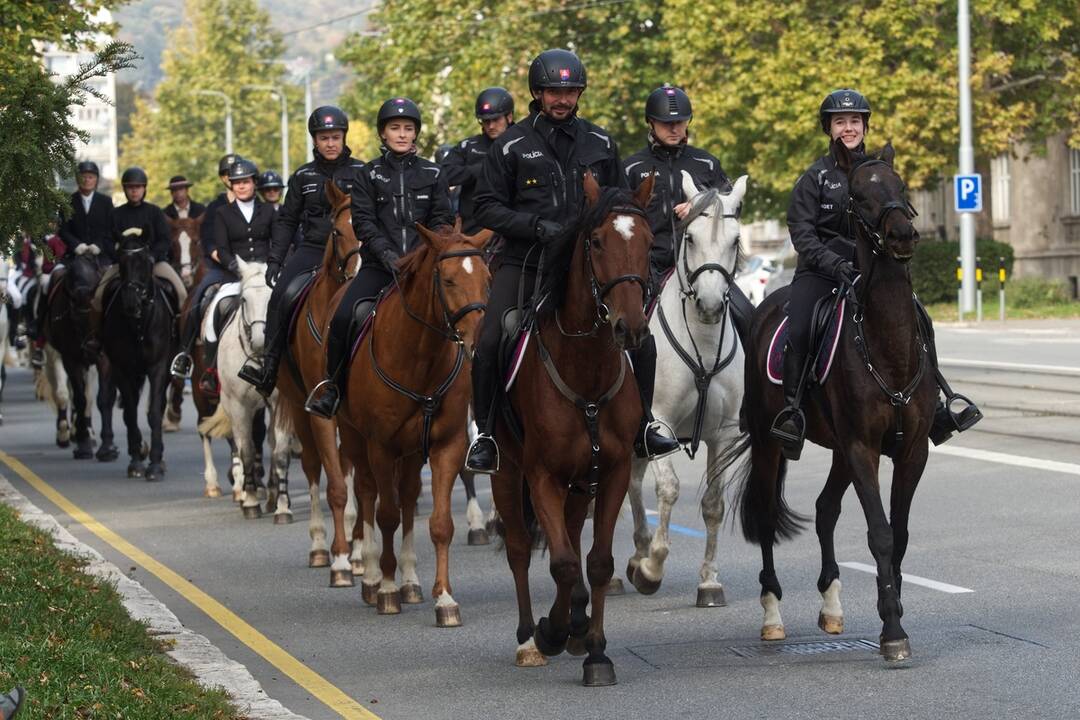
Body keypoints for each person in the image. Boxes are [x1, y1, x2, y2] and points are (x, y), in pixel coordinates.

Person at [464, 48, 659, 472]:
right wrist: (536, 226)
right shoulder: (511, 145)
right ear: (537, 92)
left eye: (570, 91)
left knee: (642, 337)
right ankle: (487, 436)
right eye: (554, 91)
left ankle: (644, 425)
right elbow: (486, 208)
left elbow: (621, 204)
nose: (563, 99)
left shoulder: (601, 142)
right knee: (493, 337)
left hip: (591, 266)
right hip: (527, 261)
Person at [769, 89, 981, 459]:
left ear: (865, 126)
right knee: (801, 324)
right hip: (822, 273)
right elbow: (802, 232)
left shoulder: (880, 174)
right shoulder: (815, 178)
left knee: (920, 319)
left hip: (873, 274)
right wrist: (833, 263)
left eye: (855, 121)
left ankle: (936, 406)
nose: (848, 128)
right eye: (840, 122)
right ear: (829, 129)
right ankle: (792, 411)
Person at [304, 97, 453, 417]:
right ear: (383, 134)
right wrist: (386, 255)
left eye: (408, 129)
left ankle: (463, 399)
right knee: (344, 315)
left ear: (416, 134)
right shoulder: (368, 174)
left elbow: (443, 220)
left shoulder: (433, 172)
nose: (402, 134)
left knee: (464, 313)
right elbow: (364, 222)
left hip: (422, 268)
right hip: (379, 267)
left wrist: (419, 256)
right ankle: (333, 387)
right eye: (395, 128)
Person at [622, 84, 730, 458]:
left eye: (680, 121)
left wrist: (701, 202)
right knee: (627, 334)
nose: (674, 128)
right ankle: (636, 417)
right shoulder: (632, 167)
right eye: (665, 122)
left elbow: (730, 205)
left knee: (749, 317)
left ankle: (751, 408)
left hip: (703, 268)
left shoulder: (707, 164)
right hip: (650, 267)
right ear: (650, 123)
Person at [238, 106, 366, 395]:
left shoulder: (363, 172)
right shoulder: (302, 176)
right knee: (281, 295)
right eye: (324, 138)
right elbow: (286, 221)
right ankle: (269, 365)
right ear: (315, 142)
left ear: (344, 138)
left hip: (354, 249)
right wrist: (275, 261)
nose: (330, 143)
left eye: (335, 137)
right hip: (313, 249)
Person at [171, 159, 273, 394]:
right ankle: (188, 355)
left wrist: (270, 266)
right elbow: (215, 244)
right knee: (203, 298)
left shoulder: (267, 210)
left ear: (254, 183)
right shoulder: (218, 210)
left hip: (264, 273)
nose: (239, 185)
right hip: (228, 271)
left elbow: (276, 241)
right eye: (233, 180)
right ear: (225, 180)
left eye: (244, 181)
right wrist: (236, 267)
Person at [85, 167, 187, 356]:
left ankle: (182, 340)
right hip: (124, 266)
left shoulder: (155, 212)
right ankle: (96, 338)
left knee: (181, 292)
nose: (134, 191)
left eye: (138, 187)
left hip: (154, 264)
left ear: (144, 189)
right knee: (98, 296)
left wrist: (152, 256)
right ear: (125, 189)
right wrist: (119, 258)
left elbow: (165, 240)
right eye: (130, 187)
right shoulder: (116, 214)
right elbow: (107, 240)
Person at [439, 87, 515, 233]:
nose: (491, 126)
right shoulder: (469, 146)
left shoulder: (524, 142)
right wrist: (481, 170)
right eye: (486, 121)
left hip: (512, 226)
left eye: (496, 119)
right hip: (473, 229)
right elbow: (443, 174)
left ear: (509, 116)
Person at [58, 160, 113, 263]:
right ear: (77, 179)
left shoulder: (106, 202)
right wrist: (76, 245)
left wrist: (99, 245)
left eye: (91, 177)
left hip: (102, 256)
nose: (87, 180)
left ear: (96, 180)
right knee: (56, 274)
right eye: (83, 177)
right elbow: (63, 230)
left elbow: (110, 229)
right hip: (73, 256)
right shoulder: (67, 202)